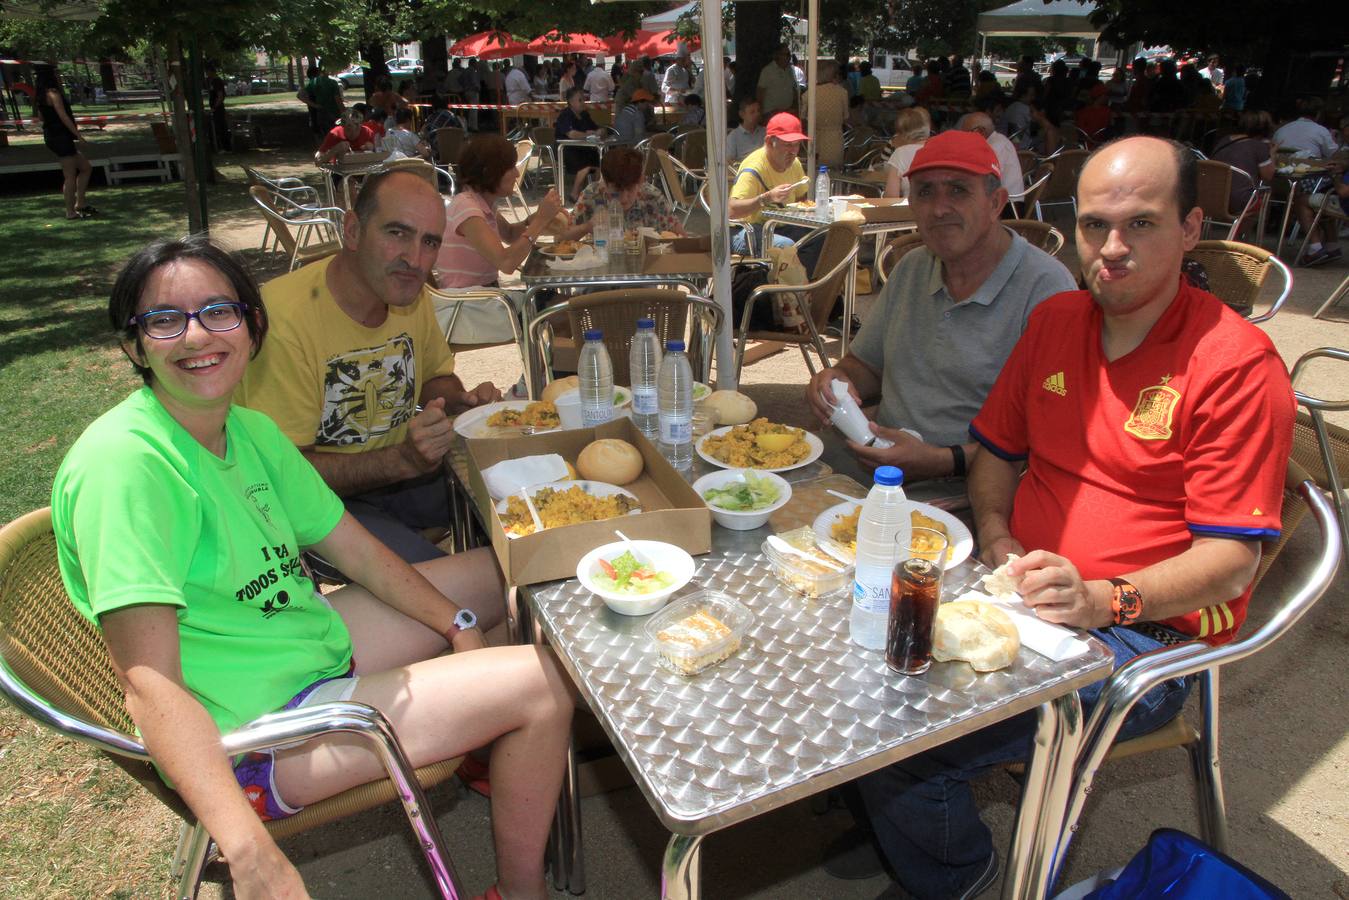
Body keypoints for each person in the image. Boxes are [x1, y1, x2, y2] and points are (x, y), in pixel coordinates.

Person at [834, 135, 1294, 899]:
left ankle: (956, 868)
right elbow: (992, 450)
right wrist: (995, 533)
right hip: (1016, 586)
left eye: (1140, 224)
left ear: (1189, 229)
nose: (1110, 249)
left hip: (1142, 636)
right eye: (1091, 226)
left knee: (908, 733)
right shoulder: (1056, 321)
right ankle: (900, 808)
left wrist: (1100, 599)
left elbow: (1232, 559)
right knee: (853, 644)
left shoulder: (1234, 364)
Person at [54, 234, 575, 900]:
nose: (196, 336)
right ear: (133, 345)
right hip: (257, 732)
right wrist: (248, 849)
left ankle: (487, 730)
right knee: (545, 679)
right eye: (164, 319)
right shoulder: (125, 467)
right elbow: (150, 686)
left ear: (251, 325)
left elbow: (356, 551)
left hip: (298, 643)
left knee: (501, 573)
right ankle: (520, 889)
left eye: (219, 311)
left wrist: (455, 625)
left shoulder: (248, 431)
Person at [237, 170, 503, 568]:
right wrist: (403, 460)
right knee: (440, 584)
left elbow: (435, 378)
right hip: (310, 503)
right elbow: (285, 473)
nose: (415, 260)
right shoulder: (282, 322)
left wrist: (459, 402)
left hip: (398, 476)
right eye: (397, 232)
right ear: (353, 230)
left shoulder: (409, 295)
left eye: (429, 241)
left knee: (515, 512)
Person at [806, 130, 1074, 478]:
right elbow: (867, 366)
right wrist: (836, 380)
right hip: (877, 462)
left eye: (959, 190)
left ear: (996, 203)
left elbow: (1051, 438)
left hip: (971, 489)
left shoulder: (1047, 289)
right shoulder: (912, 267)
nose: (938, 208)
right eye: (925, 192)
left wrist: (942, 459)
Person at [728, 111, 809, 256]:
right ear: (769, 142)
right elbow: (732, 211)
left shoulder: (795, 164)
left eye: (796, 145)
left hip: (781, 226)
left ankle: (809, 278)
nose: (792, 152)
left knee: (822, 236)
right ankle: (786, 278)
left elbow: (801, 199)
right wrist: (767, 198)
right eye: (787, 145)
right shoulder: (754, 168)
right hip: (745, 230)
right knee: (785, 246)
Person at [561, 146, 685, 241]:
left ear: (640, 182)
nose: (624, 198)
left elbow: (681, 237)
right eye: (617, 191)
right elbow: (559, 238)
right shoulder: (592, 195)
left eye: (630, 189)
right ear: (605, 183)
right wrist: (587, 227)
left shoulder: (652, 197)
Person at [34, 67, 95, 221]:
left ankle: (80, 203)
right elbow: (64, 116)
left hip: (52, 136)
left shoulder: (40, 96)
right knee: (69, 175)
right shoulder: (53, 94)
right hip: (60, 137)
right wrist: (78, 135)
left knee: (86, 167)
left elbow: (41, 117)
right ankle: (70, 212)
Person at [1211, 110, 1275, 225]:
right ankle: (1242, 237)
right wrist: (1272, 153)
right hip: (1240, 202)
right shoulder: (1259, 147)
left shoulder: (1224, 140)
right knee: (1265, 193)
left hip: (1213, 197)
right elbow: (1268, 175)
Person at [959, 111, 1023, 200]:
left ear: (980, 131)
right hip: (1000, 200)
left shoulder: (996, 147)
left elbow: (982, 180)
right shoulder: (996, 141)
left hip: (1008, 206)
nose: (964, 140)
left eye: (966, 134)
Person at [555, 87, 602, 198]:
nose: (583, 103)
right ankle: (574, 193)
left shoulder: (585, 115)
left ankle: (596, 192)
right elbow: (572, 134)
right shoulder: (565, 115)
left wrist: (600, 131)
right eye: (579, 100)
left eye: (583, 99)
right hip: (565, 149)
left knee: (601, 160)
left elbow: (596, 128)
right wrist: (590, 134)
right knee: (586, 163)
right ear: (571, 102)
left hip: (583, 148)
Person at [883, 107, 931, 199]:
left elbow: (891, 196)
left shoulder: (900, 154)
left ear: (901, 133)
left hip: (909, 210)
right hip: (939, 209)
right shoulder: (940, 149)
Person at [812, 61, 849, 168]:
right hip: (834, 140)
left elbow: (804, 118)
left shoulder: (809, 93)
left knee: (812, 174)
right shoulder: (842, 93)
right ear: (835, 74)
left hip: (813, 139)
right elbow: (846, 117)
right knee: (832, 175)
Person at [298, 64, 343, 137]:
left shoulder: (312, 83)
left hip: (317, 113)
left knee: (321, 133)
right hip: (329, 112)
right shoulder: (329, 83)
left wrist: (315, 106)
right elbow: (337, 99)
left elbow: (300, 95)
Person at [757, 46, 798, 116]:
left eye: (789, 54)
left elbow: (794, 90)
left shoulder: (790, 70)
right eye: (785, 54)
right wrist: (760, 114)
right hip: (771, 113)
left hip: (788, 112)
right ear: (777, 55)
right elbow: (760, 93)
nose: (788, 57)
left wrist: (794, 106)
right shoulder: (767, 71)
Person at [727, 97, 767, 164]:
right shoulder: (733, 137)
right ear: (742, 114)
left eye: (758, 111)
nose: (757, 114)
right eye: (752, 112)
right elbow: (729, 161)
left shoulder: (765, 132)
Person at [207, 66, 229, 152]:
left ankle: (226, 147)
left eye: (208, 72)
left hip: (218, 108)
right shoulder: (212, 82)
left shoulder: (217, 81)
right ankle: (221, 146)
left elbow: (220, 96)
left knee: (221, 127)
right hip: (216, 108)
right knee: (217, 127)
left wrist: (215, 107)